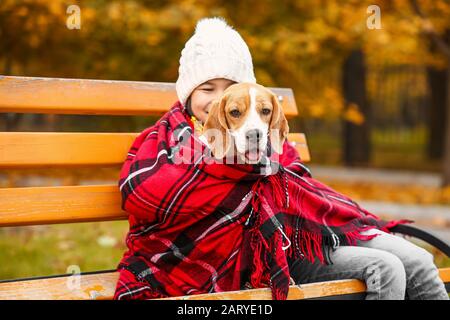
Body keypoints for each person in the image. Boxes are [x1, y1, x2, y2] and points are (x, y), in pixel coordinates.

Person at [113, 17, 448, 300]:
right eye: (207, 88)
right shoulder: (167, 142)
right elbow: (141, 196)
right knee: (385, 267)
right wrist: (226, 164)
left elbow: (302, 197)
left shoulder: (271, 142)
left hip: (290, 245)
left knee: (416, 260)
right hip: (225, 266)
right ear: (188, 93)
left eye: (230, 86)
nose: (218, 99)